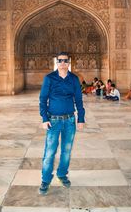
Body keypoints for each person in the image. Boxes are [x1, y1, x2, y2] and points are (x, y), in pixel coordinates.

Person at [39, 52, 85, 195]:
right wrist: (44, 118)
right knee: (49, 152)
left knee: (66, 151)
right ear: (56, 62)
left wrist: (81, 118)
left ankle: (62, 174)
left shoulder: (74, 79)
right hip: (53, 121)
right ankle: (46, 179)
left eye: (65, 60)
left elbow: (78, 99)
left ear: (69, 63)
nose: (63, 63)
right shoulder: (49, 78)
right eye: (60, 60)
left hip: (70, 120)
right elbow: (42, 100)